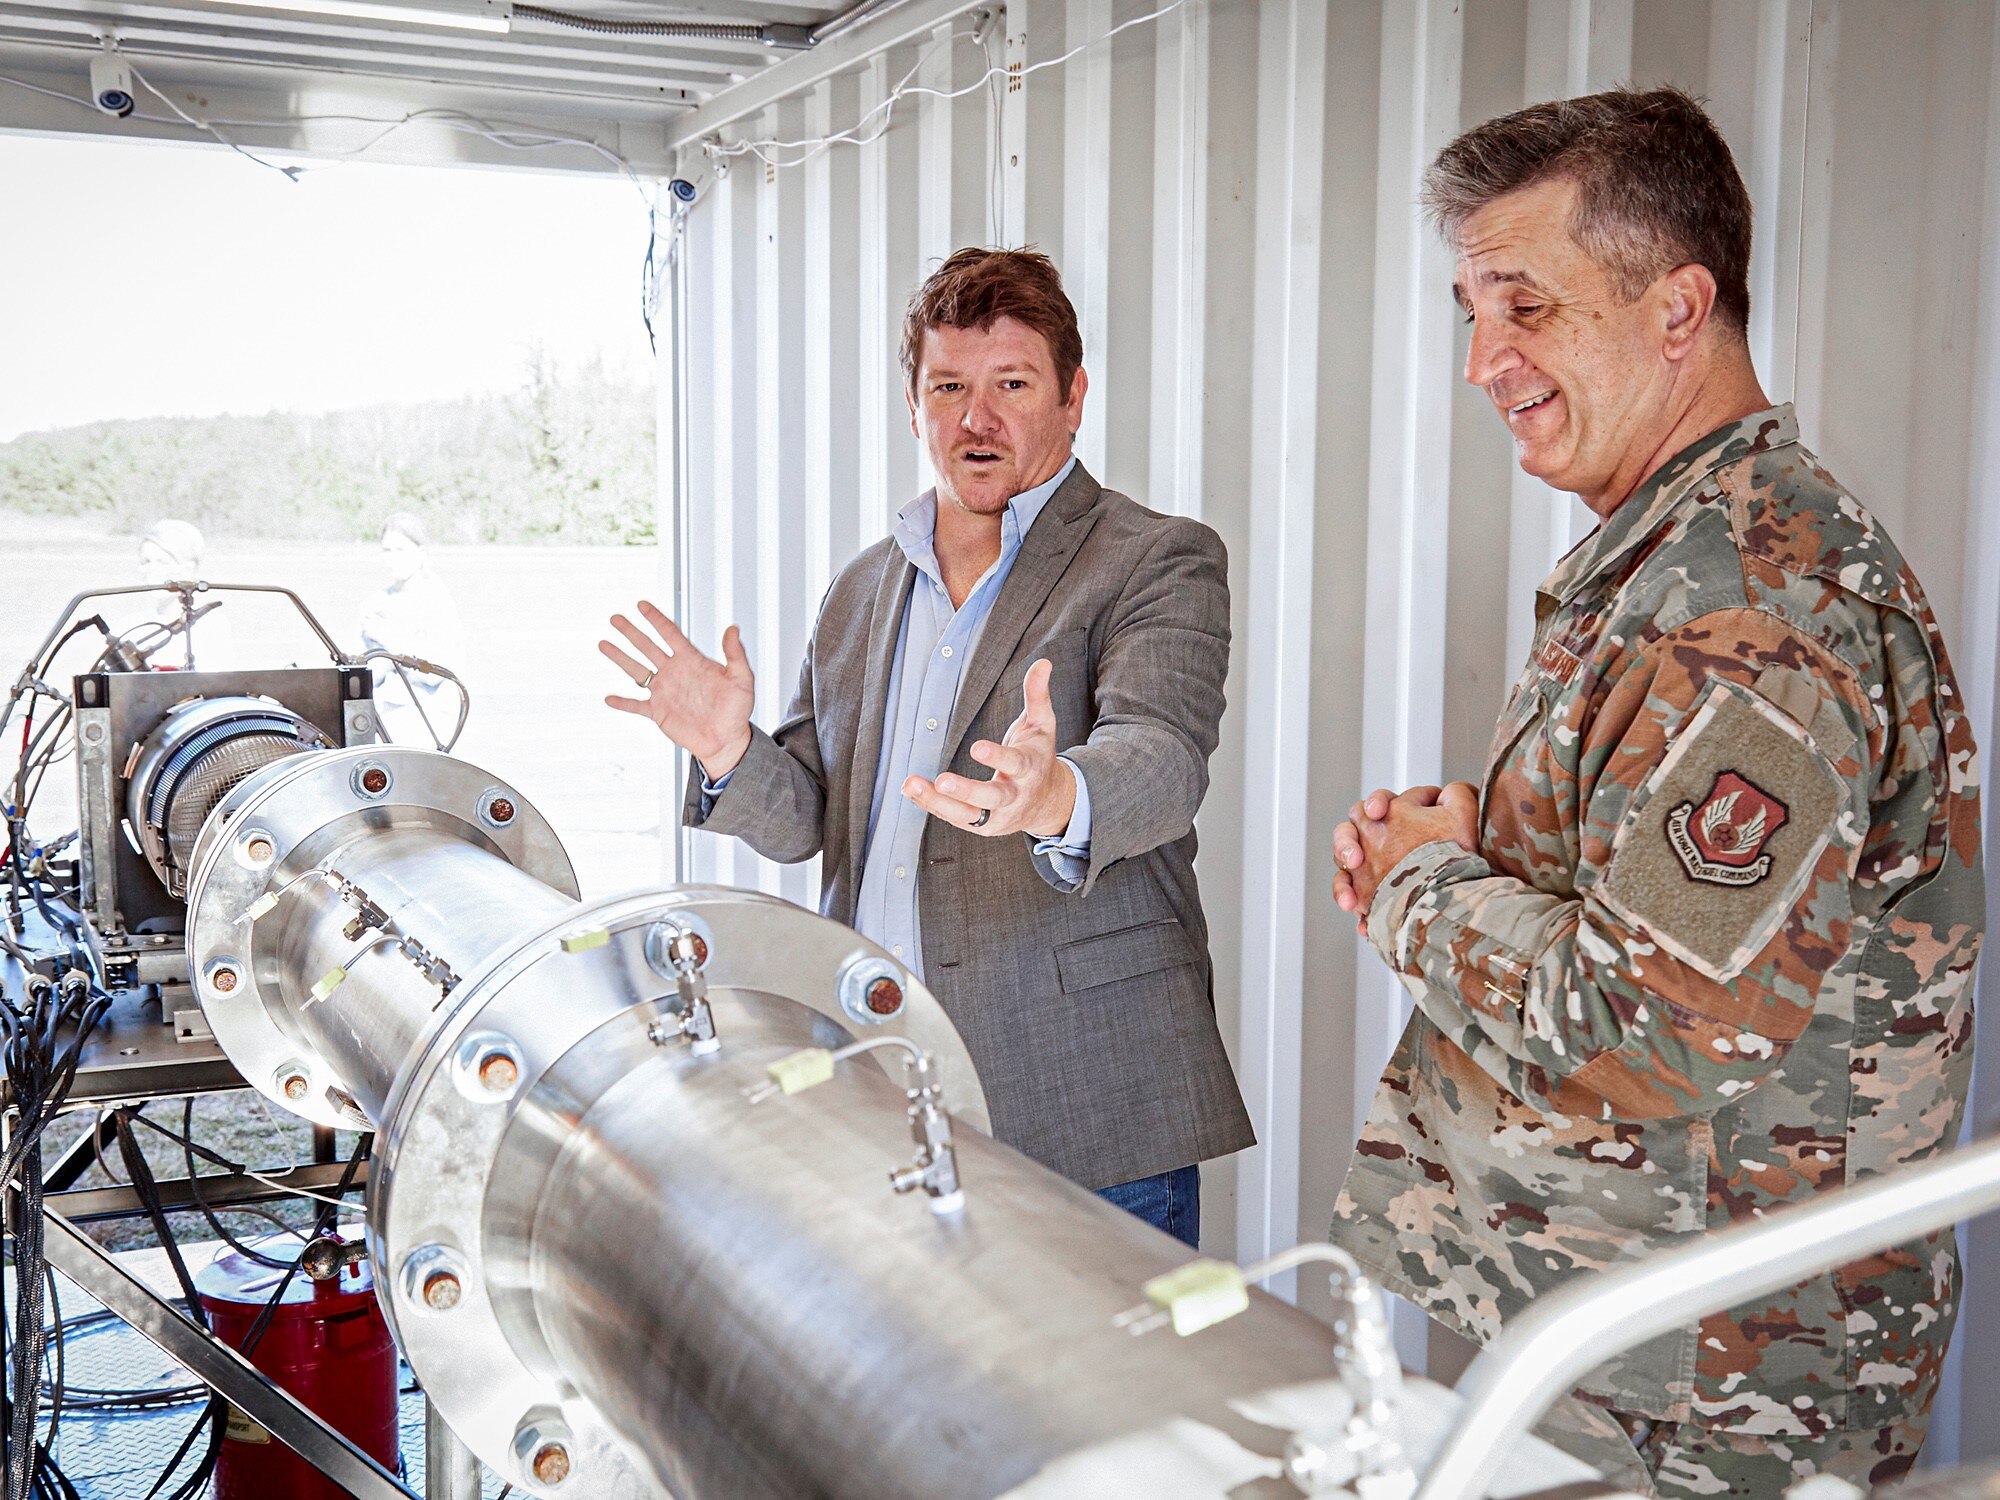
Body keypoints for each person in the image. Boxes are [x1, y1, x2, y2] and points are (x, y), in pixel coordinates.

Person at [1328, 88, 1982, 1495]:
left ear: (1678, 310)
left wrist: (1417, 887)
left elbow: (1660, 1024)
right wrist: (1484, 840)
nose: (1483, 360)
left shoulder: (1751, 599)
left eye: (1526, 309)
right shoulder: (1682, 559)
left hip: (1708, 1389)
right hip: (1632, 1341)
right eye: (1471, 315)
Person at [599, 247, 1253, 1246]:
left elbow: (1161, 759)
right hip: (882, 1083)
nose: (974, 418)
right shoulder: (865, 587)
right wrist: (730, 750)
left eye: (1011, 385)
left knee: (1094, 1404)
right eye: (947, 386)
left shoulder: (1154, 557)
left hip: (1083, 1101)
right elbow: (808, 818)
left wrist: (1054, 796)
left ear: (1072, 400)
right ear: (914, 404)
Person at [358, 511, 465, 749]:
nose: (392, 558)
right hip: (387, 714)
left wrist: (386, 638)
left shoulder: (437, 601)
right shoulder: (375, 603)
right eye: (387, 550)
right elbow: (376, 673)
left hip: (429, 718)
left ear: (421, 553)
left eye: (401, 550)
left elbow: (436, 673)